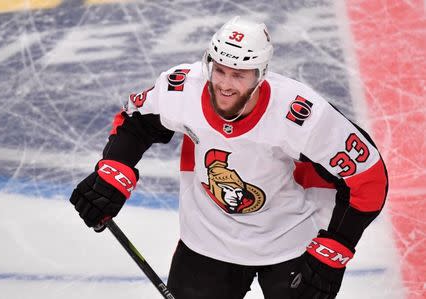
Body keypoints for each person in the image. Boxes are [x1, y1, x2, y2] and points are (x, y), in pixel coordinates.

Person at [70, 16, 388, 299]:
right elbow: (136, 123)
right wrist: (113, 172)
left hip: (291, 242)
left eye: (238, 75)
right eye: (219, 70)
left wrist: (337, 247)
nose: (223, 85)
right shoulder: (182, 88)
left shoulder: (300, 114)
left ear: (261, 75)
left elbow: (368, 178)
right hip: (207, 241)